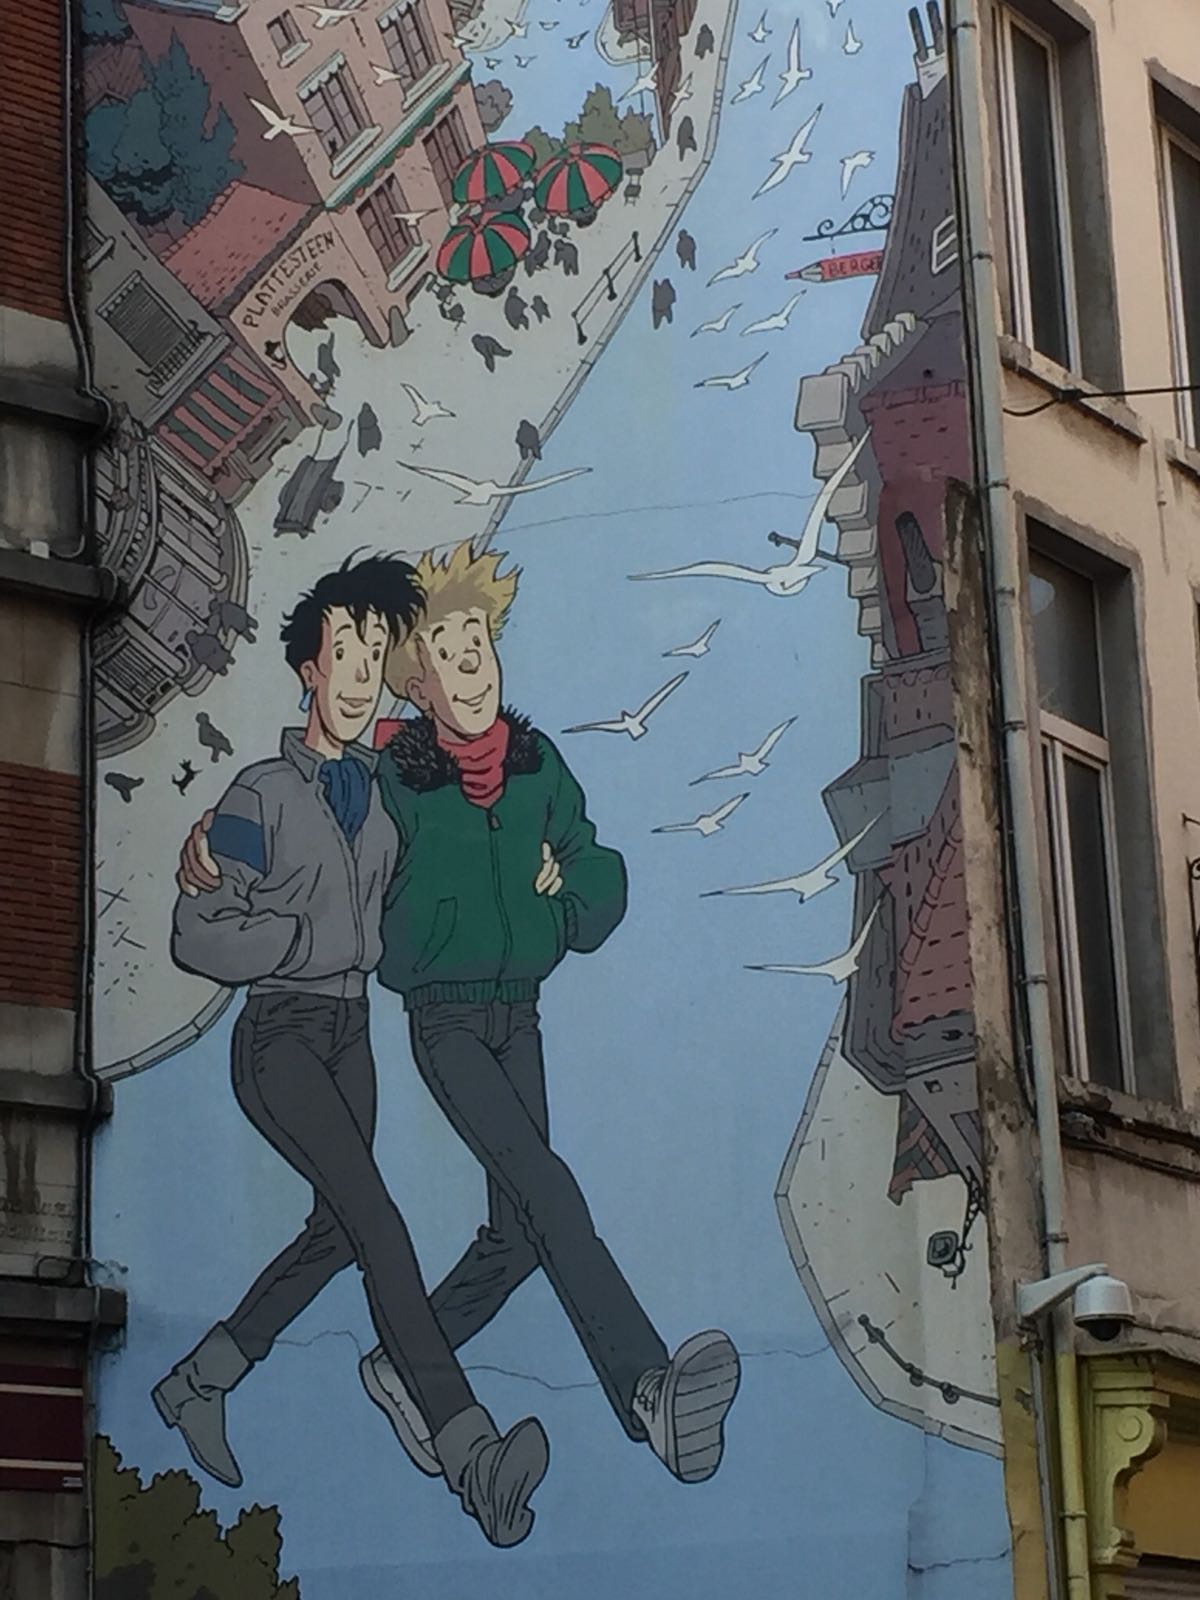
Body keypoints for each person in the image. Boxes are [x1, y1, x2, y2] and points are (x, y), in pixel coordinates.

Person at [178, 543, 741, 1490]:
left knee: (517, 1235)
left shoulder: (538, 766)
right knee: (543, 1190)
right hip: (441, 1020)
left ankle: (403, 1364)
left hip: (520, 1014)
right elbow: (298, 809)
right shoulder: (394, 778)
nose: (470, 658)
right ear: (419, 684)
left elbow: (595, 864)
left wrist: (567, 911)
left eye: (478, 636)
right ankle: (647, 1389)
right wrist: (210, 844)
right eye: (444, 647)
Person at [161, 554, 549, 1549]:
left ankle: (201, 1378)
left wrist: (537, 862)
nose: (365, 672)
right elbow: (196, 932)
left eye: (378, 654)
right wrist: (292, 936)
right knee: (378, 1221)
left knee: (339, 1230)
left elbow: (457, 822)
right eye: (349, 652)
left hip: (351, 1037)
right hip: (279, 1036)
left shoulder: (384, 789)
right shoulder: (259, 794)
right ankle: (469, 1448)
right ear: (309, 668)